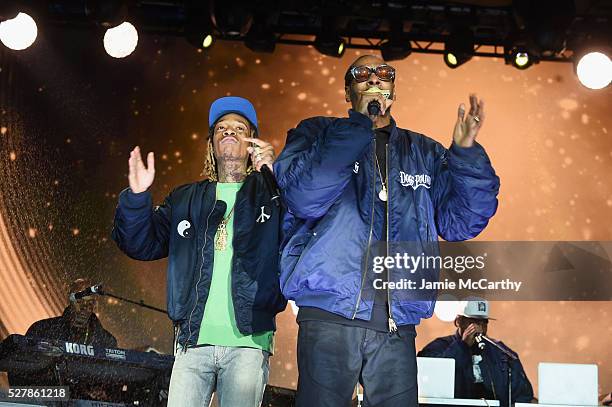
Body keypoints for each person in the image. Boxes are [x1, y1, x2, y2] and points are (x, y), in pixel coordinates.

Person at [274, 54, 500, 406]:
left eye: (384, 73)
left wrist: (466, 153)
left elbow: (463, 221)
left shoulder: (423, 152)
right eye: (362, 74)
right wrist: (358, 127)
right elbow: (304, 196)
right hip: (330, 314)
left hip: (397, 324)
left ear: (393, 87)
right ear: (348, 90)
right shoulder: (316, 132)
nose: (374, 79)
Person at [112, 96, 286, 407]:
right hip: (192, 343)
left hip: (248, 343)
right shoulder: (186, 199)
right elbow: (140, 243)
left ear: (252, 143)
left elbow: (299, 227)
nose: (229, 132)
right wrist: (137, 199)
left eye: (238, 128)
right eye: (221, 128)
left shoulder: (271, 195)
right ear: (211, 143)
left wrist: (273, 175)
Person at [418, 300, 535, 405]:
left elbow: (523, 394)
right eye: (473, 321)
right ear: (458, 321)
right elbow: (430, 382)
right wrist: (462, 346)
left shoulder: (500, 351)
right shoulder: (439, 346)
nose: (479, 327)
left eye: (483, 322)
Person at [26, 277, 117, 347]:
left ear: (94, 305)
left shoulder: (107, 341)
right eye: (79, 301)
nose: (84, 308)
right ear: (70, 301)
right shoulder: (42, 330)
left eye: (90, 303)